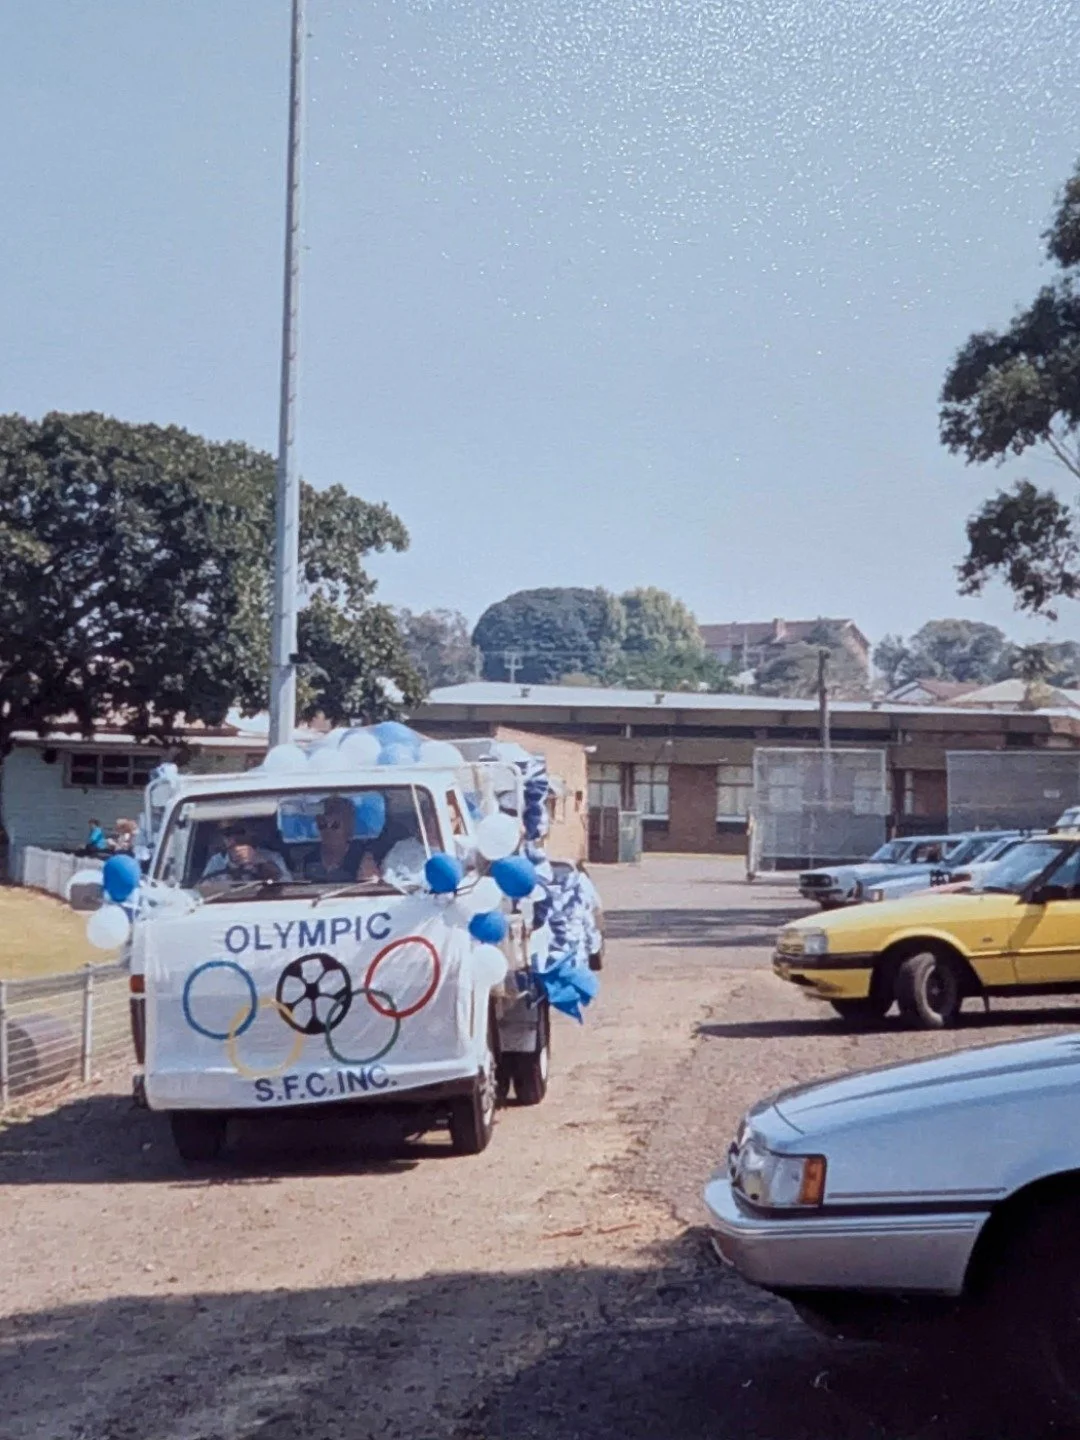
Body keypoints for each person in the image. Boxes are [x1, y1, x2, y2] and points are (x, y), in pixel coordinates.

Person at [302, 794, 378, 883]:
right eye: (322, 825)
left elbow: (368, 886)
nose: (328, 830)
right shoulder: (308, 859)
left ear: (348, 827)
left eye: (335, 825)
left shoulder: (363, 858)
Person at [201, 820, 291, 884]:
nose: (233, 838)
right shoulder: (216, 861)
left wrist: (261, 863)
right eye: (227, 834)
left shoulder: (272, 857)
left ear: (250, 833)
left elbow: (288, 886)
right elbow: (203, 892)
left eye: (238, 832)